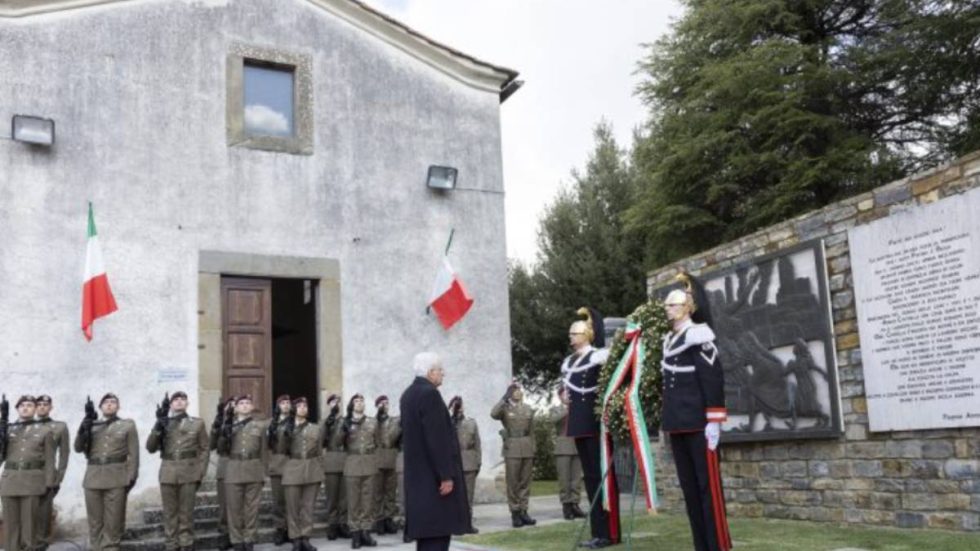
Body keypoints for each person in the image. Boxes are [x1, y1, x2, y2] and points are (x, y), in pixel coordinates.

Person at [661, 273, 732, 551]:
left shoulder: (698, 335)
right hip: (678, 423)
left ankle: (717, 545)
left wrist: (714, 421)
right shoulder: (670, 339)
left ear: (687, 308)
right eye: (666, 305)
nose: (667, 309)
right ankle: (701, 545)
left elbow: (711, 378)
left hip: (698, 424)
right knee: (690, 490)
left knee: (707, 489)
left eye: (672, 305)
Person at [561, 307, 619, 548]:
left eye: (575, 333)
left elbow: (609, 384)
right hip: (578, 424)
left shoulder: (598, 356)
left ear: (586, 334)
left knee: (601, 476)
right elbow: (566, 386)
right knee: (591, 478)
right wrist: (561, 393)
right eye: (571, 333)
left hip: (595, 424)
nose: (571, 337)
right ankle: (598, 531)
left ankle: (608, 531)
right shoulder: (570, 361)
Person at [399, 352, 469, 551]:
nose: (443, 373)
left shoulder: (408, 394)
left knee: (426, 538)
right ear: (430, 372)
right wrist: (445, 476)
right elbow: (437, 439)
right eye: (440, 370)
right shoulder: (429, 394)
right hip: (434, 480)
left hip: (417, 478)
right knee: (437, 536)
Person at [73, 393, 139, 551]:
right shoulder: (92, 425)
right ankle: (96, 547)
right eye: (106, 402)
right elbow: (77, 448)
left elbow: (134, 453)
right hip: (93, 477)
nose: (109, 404)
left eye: (113, 402)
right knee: (95, 521)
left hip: (117, 477)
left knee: (113, 520)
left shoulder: (127, 425)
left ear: (118, 406)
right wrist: (83, 428)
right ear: (100, 407)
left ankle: (110, 547)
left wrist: (131, 476)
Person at [145, 391, 209, 551]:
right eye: (176, 400)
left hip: (189, 472)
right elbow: (150, 448)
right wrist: (158, 425)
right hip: (168, 471)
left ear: (187, 404)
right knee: (170, 512)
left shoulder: (197, 423)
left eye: (183, 399)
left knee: (186, 512)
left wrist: (201, 471)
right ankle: (171, 544)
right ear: (171, 404)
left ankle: (186, 543)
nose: (179, 402)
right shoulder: (164, 423)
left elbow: (204, 448)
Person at [2, 395, 55, 551]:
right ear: (17, 409)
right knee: (11, 526)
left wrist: (49, 483)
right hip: (10, 481)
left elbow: (50, 460)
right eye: (22, 405)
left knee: (30, 526)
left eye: (29, 405)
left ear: (35, 409)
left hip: (32, 482)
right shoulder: (7, 429)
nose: (25, 407)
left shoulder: (45, 431)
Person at [218, 394, 270, 551]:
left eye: (248, 403)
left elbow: (264, 452)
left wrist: (263, 473)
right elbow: (221, 449)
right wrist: (224, 431)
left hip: (253, 469)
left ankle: (249, 539)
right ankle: (237, 540)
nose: (245, 405)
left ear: (252, 407)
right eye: (241, 403)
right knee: (234, 509)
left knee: (251, 509)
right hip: (233, 469)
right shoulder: (227, 426)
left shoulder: (259, 427)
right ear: (236, 407)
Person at [279, 396, 324, 551]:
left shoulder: (315, 428)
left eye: (305, 406)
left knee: (308, 507)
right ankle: (295, 538)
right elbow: (280, 448)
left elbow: (319, 451)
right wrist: (289, 429)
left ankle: (305, 537)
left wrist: (319, 468)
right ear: (293, 409)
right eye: (299, 406)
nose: (303, 408)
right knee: (292, 507)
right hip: (293, 468)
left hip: (312, 469)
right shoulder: (285, 427)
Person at [490, 382, 536, 528]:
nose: (518, 392)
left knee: (525, 482)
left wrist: (534, 449)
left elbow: (532, 432)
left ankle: (524, 511)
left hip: (527, 447)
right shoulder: (504, 409)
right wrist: (504, 398)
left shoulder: (528, 409)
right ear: (510, 393)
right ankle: (515, 513)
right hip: (512, 448)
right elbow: (493, 414)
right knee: (513, 482)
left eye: (519, 390)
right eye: (514, 390)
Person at [34, 394, 70, 551]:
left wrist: (58, 478)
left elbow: (64, 454)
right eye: (39, 404)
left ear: (50, 407)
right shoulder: (25, 427)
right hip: (24, 478)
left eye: (45, 404)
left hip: (46, 476)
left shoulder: (59, 427)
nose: (42, 407)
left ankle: (41, 546)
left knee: (43, 517)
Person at [342, 394, 379, 549]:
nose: (359, 403)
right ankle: (355, 533)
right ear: (351, 405)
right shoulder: (345, 422)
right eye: (356, 401)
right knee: (353, 500)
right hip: (353, 463)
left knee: (367, 500)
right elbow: (339, 442)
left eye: (361, 401)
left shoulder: (372, 422)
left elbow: (377, 441)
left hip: (369, 463)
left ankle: (366, 532)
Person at [547, 387, 585, 520]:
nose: (568, 396)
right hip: (563, 447)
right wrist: (568, 409)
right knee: (564, 479)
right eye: (565, 394)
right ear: (560, 396)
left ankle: (575, 504)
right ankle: (566, 506)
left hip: (577, 445)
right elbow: (553, 420)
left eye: (570, 394)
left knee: (576, 478)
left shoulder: (578, 408)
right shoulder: (556, 409)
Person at [448, 396, 480, 534]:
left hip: (469, 462)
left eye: (460, 405)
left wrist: (478, 462)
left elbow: (478, 444)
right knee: (454, 495)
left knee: (468, 495)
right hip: (453, 462)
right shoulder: (448, 422)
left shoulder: (471, 423)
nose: (459, 407)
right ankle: (455, 523)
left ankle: (467, 523)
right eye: (456, 405)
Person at [321, 393, 350, 540]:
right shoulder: (325, 422)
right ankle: (332, 524)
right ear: (329, 405)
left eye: (338, 402)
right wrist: (329, 421)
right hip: (332, 460)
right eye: (333, 402)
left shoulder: (347, 420)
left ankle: (343, 524)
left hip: (345, 459)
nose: (336, 404)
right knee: (332, 496)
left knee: (344, 497)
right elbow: (321, 440)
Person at [267, 394, 293, 546]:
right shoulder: (271, 424)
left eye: (288, 402)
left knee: (292, 500)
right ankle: (280, 529)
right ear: (278, 406)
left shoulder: (296, 422)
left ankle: (292, 529)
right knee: (278, 501)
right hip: (277, 464)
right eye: (282, 402)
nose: (286, 405)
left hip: (292, 464)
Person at [210, 397, 236, 550]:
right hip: (225, 466)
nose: (232, 409)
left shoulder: (244, 425)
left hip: (240, 465)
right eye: (229, 406)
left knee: (239, 505)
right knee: (224, 504)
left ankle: (238, 535)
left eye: (234, 406)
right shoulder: (220, 424)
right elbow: (212, 445)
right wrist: (218, 425)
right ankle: (225, 534)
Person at [373, 396, 401, 535]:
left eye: (386, 403)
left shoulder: (395, 421)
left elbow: (398, 436)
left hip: (392, 458)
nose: (385, 405)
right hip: (377, 459)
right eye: (381, 403)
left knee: (390, 492)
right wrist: (378, 418)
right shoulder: (373, 422)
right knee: (378, 492)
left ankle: (388, 518)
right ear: (377, 406)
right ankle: (379, 519)